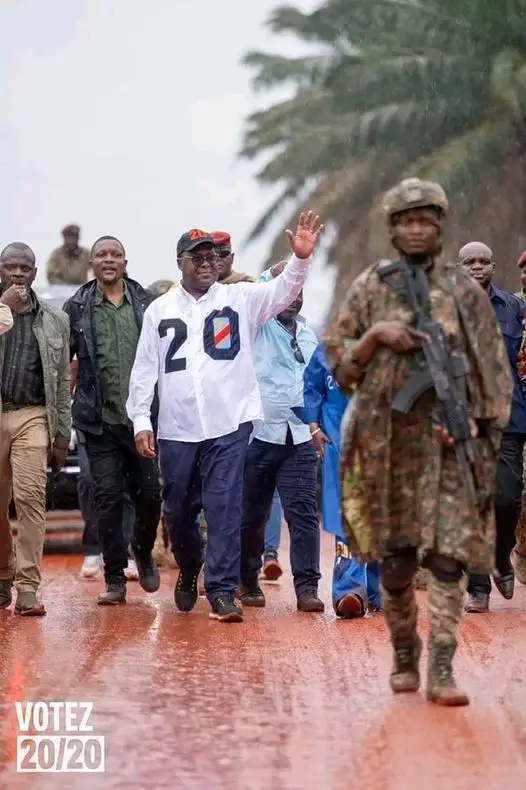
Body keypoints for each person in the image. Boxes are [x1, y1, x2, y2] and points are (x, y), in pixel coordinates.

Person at [324, 178, 513, 706]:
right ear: (392, 228)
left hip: (448, 448)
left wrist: (478, 428)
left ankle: (444, 669)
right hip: (386, 449)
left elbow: (494, 374)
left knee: (450, 558)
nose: (416, 228)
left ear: (439, 226)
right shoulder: (368, 288)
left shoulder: (462, 292)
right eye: (407, 220)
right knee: (400, 562)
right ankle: (405, 650)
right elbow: (338, 369)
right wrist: (374, 336)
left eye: (426, 220)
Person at [127, 212, 324, 622]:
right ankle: (189, 565)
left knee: (224, 507)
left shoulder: (242, 300)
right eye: (195, 257)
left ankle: (221, 590)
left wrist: (301, 260)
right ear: (179, 262)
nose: (205, 263)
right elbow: (145, 369)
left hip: (230, 425)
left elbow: (284, 291)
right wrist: (141, 420)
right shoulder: (158, 310)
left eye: (212, 257)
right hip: (178, 428)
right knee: (178, 510)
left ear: (220, 263)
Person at [63, 236, 162, 605]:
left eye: (115, 255)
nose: (109, 260)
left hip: (142, 421)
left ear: (125, 261)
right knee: (106, 498)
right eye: (102, 254)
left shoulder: (147, 302)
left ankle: (144, 548)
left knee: (151, 495)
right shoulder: (77, 306)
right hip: (98, 421)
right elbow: (65, 362)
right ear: (92, 262)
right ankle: (115, 576)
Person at [240, 290, 323, 612]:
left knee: (303, 515)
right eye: (287, 293)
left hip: (300, 438)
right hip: (259, 436)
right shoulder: (257, 325)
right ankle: (247, 581)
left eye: (299, 294)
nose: (293, 299)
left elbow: (316, 381)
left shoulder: (308, 332)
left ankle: (307, 588)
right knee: (251, 516)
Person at [0, 243, 71, 615]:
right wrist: (4, 309)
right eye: (10, 267)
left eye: (24, 268)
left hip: (33, 415)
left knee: (30, 500)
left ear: (34, 272)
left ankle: (28, 586)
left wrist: (62, 435)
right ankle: (2, 575)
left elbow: (60, 382)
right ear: (0, 271)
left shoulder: (55, 320)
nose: (17, 274)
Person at [458, 242, 526, 611]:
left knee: (507, 498)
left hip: (509, 418)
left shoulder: (516, 309)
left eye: (484, 261)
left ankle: (501, 558)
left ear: (494, 266)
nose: (477, 267)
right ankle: (479, 588)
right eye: (470, 261)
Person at [294, 343, 381, 617]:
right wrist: (314, 426)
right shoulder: (328, 348)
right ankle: (349, 590)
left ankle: (379, 590)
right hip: (339, 444)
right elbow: (312, 385)